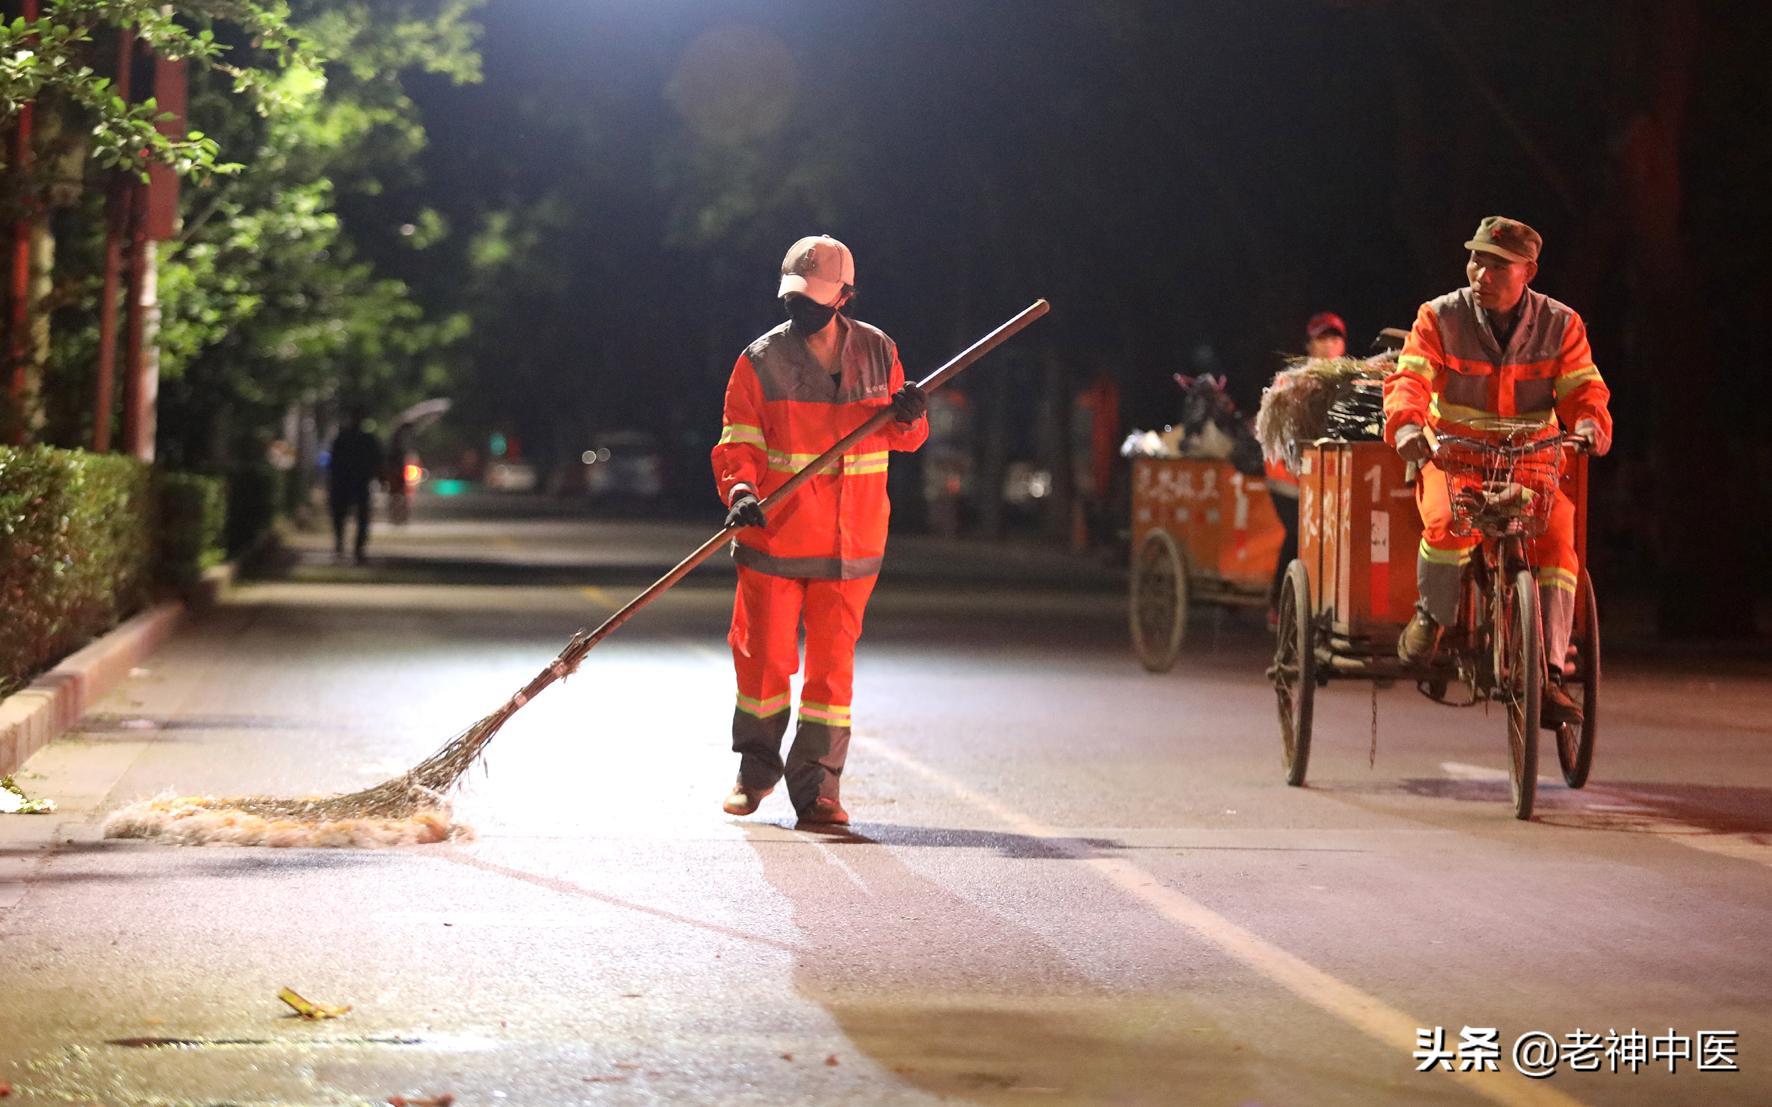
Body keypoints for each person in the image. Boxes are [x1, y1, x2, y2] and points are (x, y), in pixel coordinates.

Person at [711, 235, 929, 826]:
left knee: (831, 673)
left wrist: (911, 415)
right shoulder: (759, 361)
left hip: (850, 543)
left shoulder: (880, 353)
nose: (799, 307)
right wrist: (740, 491)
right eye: (793, 296)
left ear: (844, 297)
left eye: (813, 297)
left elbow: (903, 436)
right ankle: (754, 773)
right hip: (775, 537)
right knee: (763, 662)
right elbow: (740, 441)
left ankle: (818, 790)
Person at [1383, 216, 1612, 724]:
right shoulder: (1439, 317)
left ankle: (1549, 673)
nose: (1479, 273)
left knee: (1557, 545)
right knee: (1447, 526)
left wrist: (1592, 425)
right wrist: (1406, 426)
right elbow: (1410, 379)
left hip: (1531, 463)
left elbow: (1583, 390)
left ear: (1527, 271)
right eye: (1476, 259)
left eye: (1496, 265)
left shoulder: (1562, 325)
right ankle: (1434, 616)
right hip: (1454, 457)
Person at [1266, 311, 1349, 615]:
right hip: (1287, 477)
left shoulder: (1351, 380)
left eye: (1335, 338)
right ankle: (1278, 601)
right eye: (1322, 338)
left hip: (1326, 477)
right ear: (1309, 345)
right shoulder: (1292, 380)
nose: (1329, 345)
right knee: (1299, 532)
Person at [328, 407, 383, 564]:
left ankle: (356, 548)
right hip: (346, 482)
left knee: (358, 517)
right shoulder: (345, 438)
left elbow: (376, 461)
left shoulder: (363, 439)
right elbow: (334, 461)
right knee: (342, 515)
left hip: (357, 482)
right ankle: (343, 546)